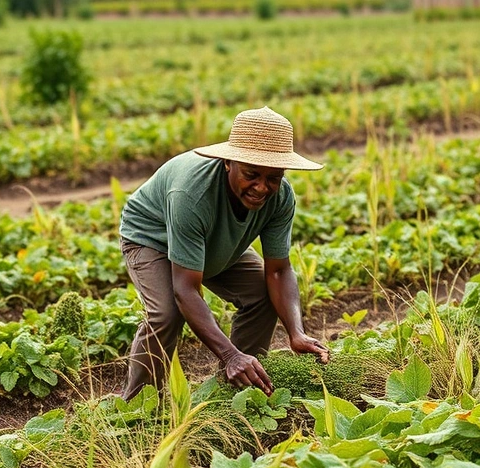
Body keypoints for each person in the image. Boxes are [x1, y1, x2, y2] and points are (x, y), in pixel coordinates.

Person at [117, 106, 329, 401]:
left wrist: (296, 332)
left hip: (213, 239)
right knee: (166, 314)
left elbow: (278, 271)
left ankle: (238, 389)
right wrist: (229, 354)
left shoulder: (281, 197)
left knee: (263, 293)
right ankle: (138, 405)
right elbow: (185, 289)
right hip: (153, 237)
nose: (261, 188)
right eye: (252, 174)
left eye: (273, 177)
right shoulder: (191, 194)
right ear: (229, 162)